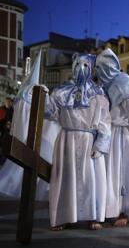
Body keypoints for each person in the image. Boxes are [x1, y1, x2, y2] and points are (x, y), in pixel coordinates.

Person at [45, 53, 111, 231]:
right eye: (77, 64)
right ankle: (63, 216)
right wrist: (40, 98)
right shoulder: (60, 91)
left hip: (89, 140)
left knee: (91, 179)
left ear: (91, 68)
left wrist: (101, 145)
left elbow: (105, 123)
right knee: (65, 178)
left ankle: (94, 216)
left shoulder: (98, 94)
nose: (81, 68)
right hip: (66, 140)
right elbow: (51, 113)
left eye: (85, 65)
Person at [94, 48, 129, 226]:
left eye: (100, 68)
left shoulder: (123, 82)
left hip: (124, 134)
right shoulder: (104, 86)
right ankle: (112, 209)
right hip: (111, 132)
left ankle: (123, 210)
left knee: (123, 171)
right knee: (111, 172)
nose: (98, 73)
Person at [0, 52, 61, 200]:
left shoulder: (23, 95)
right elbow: (50, 112)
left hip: (27, 133)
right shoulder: (36, 93)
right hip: (36, 135)